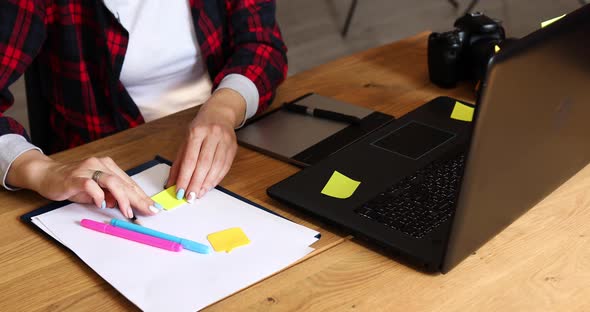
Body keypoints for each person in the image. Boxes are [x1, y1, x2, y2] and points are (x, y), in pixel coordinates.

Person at [0, 0, 287, 219]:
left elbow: (262, 44)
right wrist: (40, 172)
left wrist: (223, 109)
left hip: (233, 139)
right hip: (104, 167)